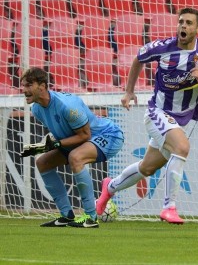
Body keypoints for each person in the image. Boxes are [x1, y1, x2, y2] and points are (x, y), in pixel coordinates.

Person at [96, 7, 198, 224]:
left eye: (189, 23)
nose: (183, 26)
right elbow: (138, 59)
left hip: (184, 118)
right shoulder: (162, 47)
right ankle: (169, 208)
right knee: (182, 147)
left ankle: (109, 187)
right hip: (158, 112)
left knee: (147, 167)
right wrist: (129, 91)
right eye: (181, 21)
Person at [20, 67, 124, 228]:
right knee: (43, 163)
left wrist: (56, 144)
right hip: (84, 139)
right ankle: (66, 215)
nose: (24, 90)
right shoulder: (37, 109)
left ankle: (90, 217)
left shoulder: (66, 106)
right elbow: (62, 135)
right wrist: (41, 148)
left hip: (108, 135)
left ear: (42, 86)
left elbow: (85, 135)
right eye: (23, 86)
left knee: (75, 157)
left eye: (28, 86)